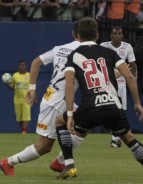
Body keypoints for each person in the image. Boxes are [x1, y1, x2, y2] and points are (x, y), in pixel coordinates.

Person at [55, 17, 143, 183]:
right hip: (112, 105)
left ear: (78, 35)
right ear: (97, 35)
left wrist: (69, 114)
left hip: (90, 107)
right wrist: (137, 103)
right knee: (130, 139)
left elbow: (69, 86)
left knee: (59, 121)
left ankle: (69, 164)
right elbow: (129, 76)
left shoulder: (73, 56)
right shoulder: (110, 53)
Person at [0, 21, 84, 176]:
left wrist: (32, 89)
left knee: (85, 124)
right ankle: (7, 162)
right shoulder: (86, 52)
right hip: (56, 101)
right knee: (44, 146)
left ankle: (60, 162)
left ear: (74, 34)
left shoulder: (60, 48)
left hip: (59, 97)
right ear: (95, 35)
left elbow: (36, 62)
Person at [100, 27, 137, 148]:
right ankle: (116, 137)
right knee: (107, 110)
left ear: (122, 35)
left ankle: (115, 139)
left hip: (121, 84)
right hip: (106, 83)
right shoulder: (103, 46)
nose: (117, 36)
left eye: (119, 34)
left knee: (120, 110)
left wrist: (133, 78)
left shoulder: (127, 47)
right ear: (111, 35)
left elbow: (132, 64)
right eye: (114, 33)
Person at [5, 60, 30, 134]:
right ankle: (22, 129)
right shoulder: (15, 75)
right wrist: (7, 84)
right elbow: (13, 87)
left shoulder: (29, 75)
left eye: (23, 65)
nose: (22, 66)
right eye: (20, 65)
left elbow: (32, 87)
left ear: (25, 66)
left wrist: (33, 97)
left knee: (26, 116)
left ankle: (24, 131)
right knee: (19, 117)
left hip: (26, 99)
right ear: (18, 66)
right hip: (17, 99)